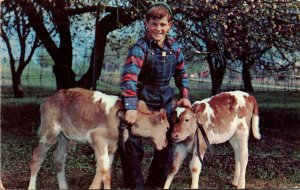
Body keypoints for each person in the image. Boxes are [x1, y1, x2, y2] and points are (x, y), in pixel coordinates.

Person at [120, 2, 191, 189]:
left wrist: (184, 95)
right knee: (131, 142)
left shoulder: (174, 48)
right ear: (146, 24)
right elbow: (129, 77)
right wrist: (131, 106)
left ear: (170, 25)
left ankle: (155, 185)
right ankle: (134, 185)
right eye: (154, 24)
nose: (158, 29)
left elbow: (182, 72)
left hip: (165, 100)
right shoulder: (140, 48)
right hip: (142, 99)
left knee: (166, 145)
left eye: (162, 24)